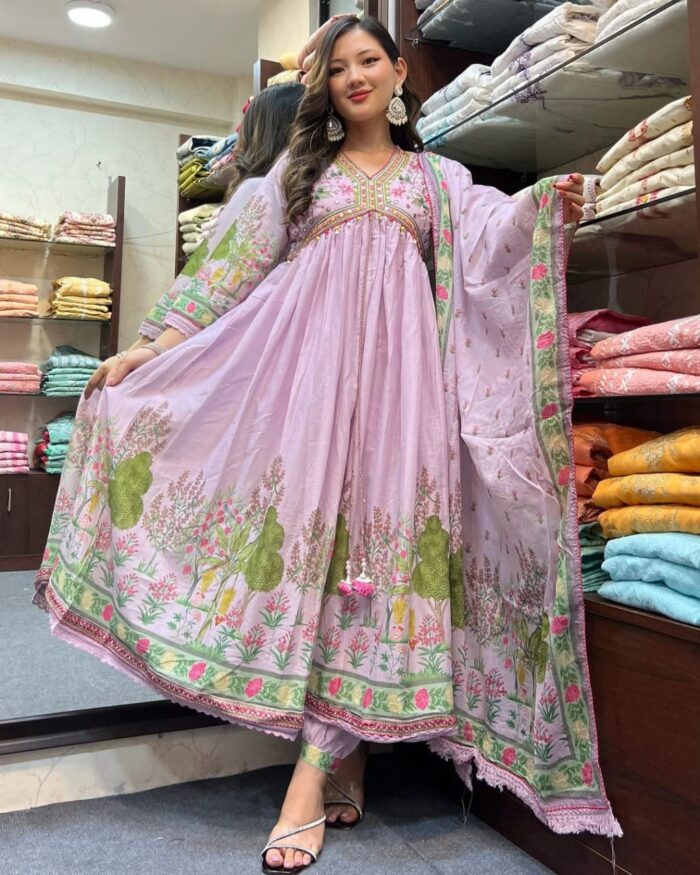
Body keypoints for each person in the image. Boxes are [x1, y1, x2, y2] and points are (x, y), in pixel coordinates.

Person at [35, 16, 621, 875]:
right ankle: (335, 762)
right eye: (339, 66)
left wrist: (542, 205)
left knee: (372, 573)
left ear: (398, 73)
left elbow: (494, 239)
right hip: (302, 387)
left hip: (402, 404)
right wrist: (151, 349)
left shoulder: (439, 180)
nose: (355, 77)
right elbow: (226, 271)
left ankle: (319, 770)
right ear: (327, 86)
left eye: (369, 60)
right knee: (314, 565)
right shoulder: (299, 173)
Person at [85, 82, 305, 398]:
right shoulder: (285, 193)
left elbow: (212, 278)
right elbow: (215, 278)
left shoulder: (258, 191)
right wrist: (142, 350)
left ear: (261, 131)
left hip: (235, 345)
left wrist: (146, 349)